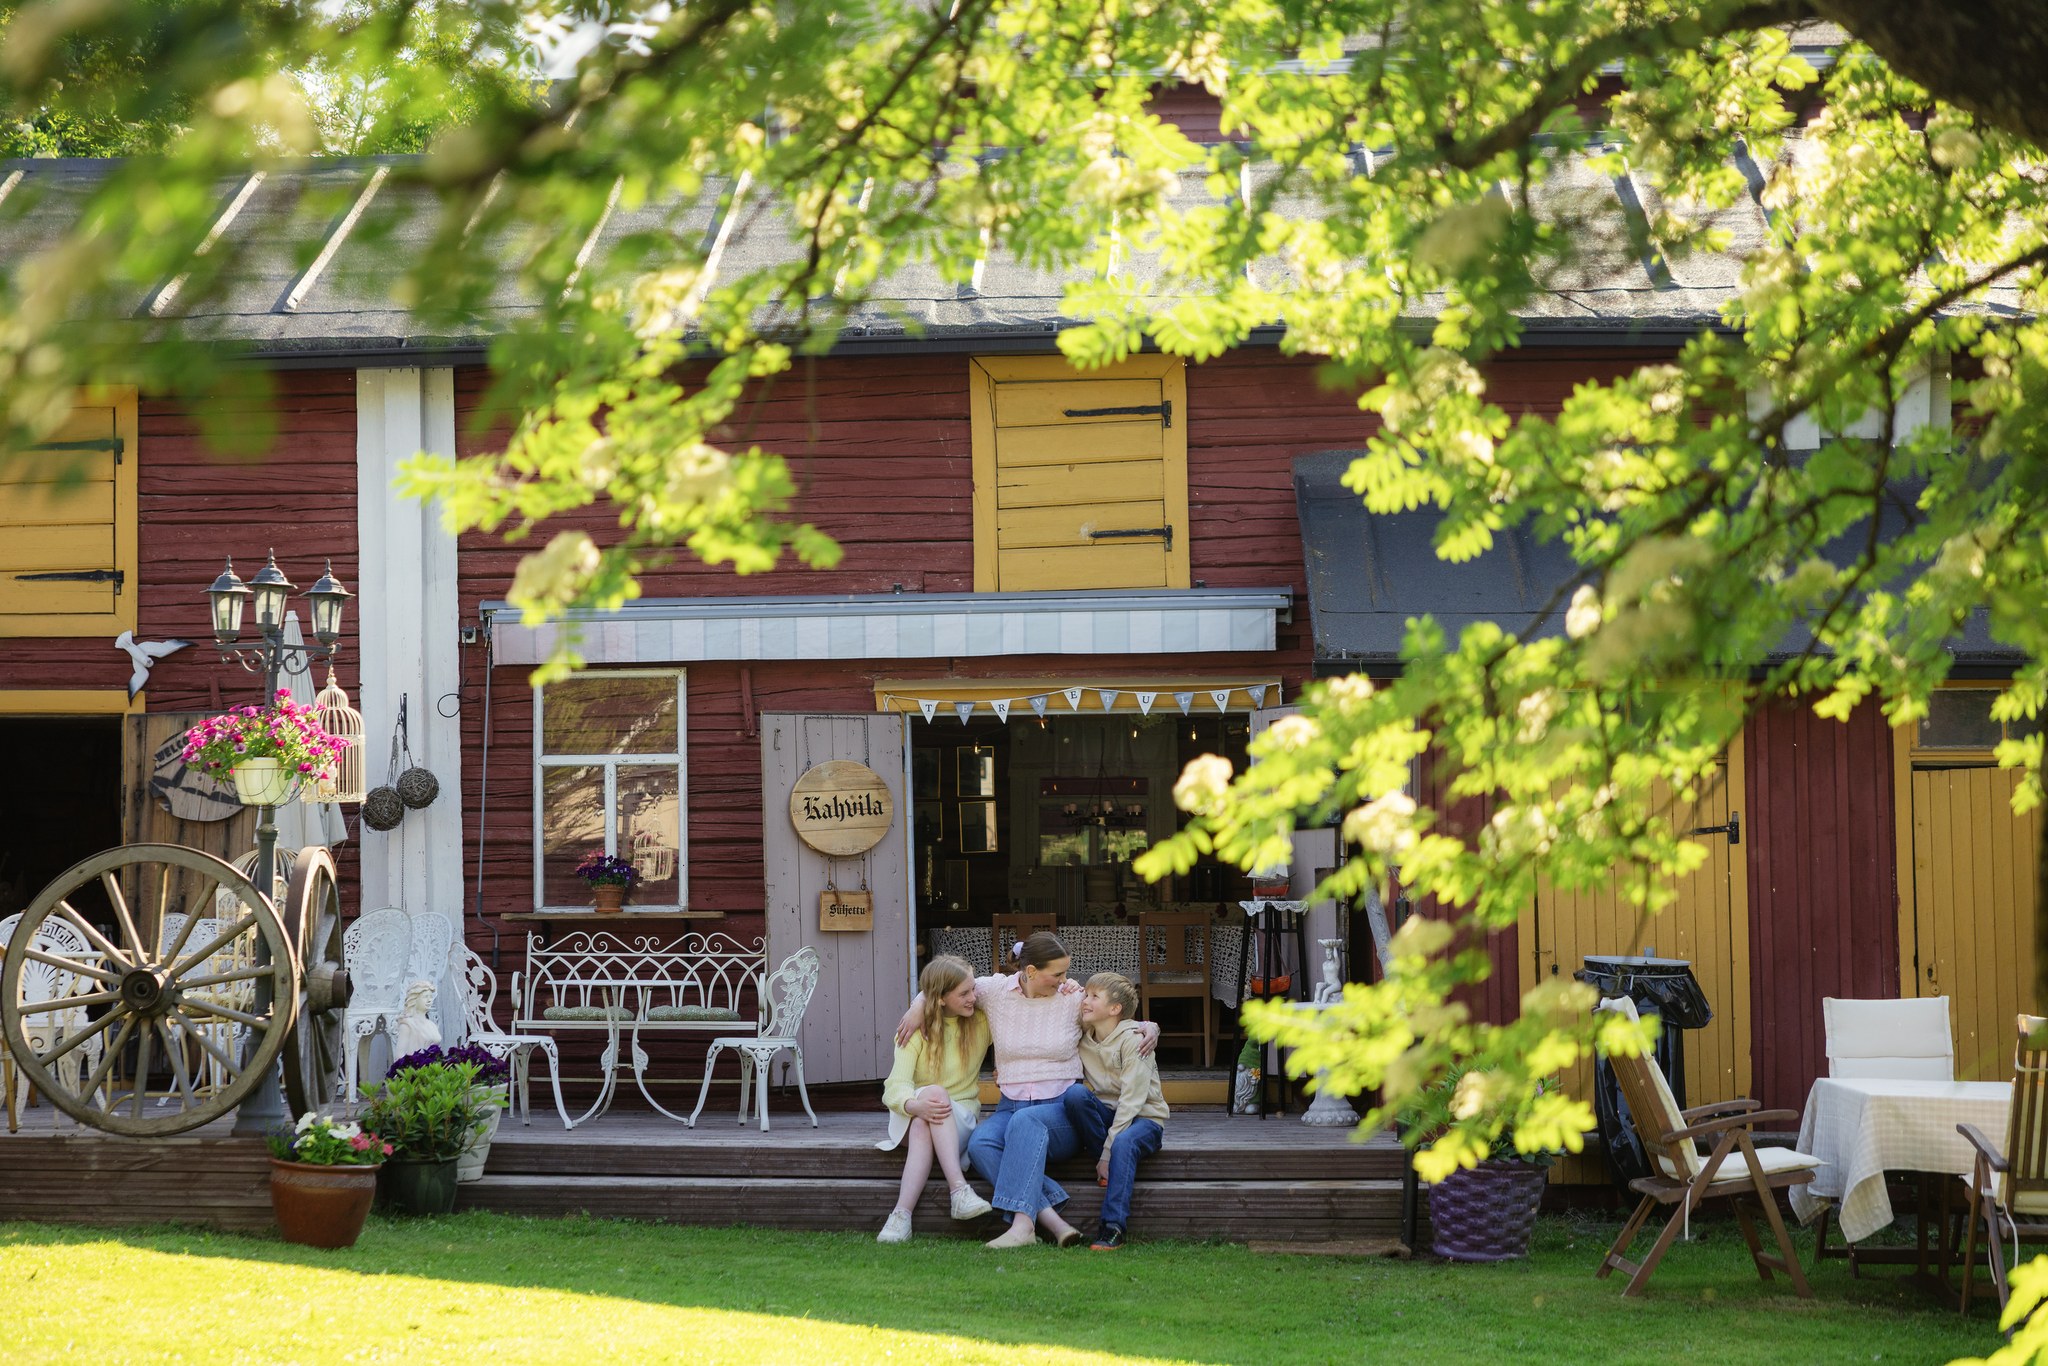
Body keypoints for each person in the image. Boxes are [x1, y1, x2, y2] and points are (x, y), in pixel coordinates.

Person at [893, 930, 1159, 1249]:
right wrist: (918, 1005)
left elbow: (1114, 1017)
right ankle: (1051, 1216)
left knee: (1026, 1122)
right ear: (1030, 971)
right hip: (1010, 1106)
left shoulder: (1072, 999)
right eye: (1057, 974)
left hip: (1061, 1113)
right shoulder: (995, 992)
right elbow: (946, 984)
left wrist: (1149, 1026)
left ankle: (1023, 1225)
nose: (1065, 980)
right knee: (981, 1145)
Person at [875, 955, 996, 1244]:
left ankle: (901, 1215)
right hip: (913, 1111)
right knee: (932, 1099)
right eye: (964, 993)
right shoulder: (914, 1029)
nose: (973, 997)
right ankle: (959, 1191)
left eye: (973, 990)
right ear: (941, 998)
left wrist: (920, 1001)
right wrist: (914, 1105)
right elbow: (895, 1086)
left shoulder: (982, 1021)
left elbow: (1008, 991)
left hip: (959, 1118)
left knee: (924, 1122)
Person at [1061, 971, 1169, 1250]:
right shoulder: (1084, 1036)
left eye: (1094, 996)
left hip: (1144, 1119)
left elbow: (1132, 1101)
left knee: (1123, 1143)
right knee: (1075, 1095)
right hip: (1108, 1115)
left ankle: (1113, 1227)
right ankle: (1108, 1165)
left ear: (1115, 1009)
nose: (1085, 1001)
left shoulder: (1135, 1040)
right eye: (1086, 994)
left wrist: (1108, 1152)